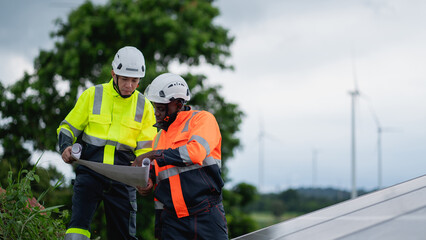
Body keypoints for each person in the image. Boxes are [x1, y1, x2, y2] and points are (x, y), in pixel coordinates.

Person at [57, 46, 157, 240]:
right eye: (125, 79)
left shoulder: (145, 106)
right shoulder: (92, 95)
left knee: (124, 236)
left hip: (123, 178)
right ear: (114, 74)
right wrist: (65, 147)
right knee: (77, 231)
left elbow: (147, 150)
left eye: (134, 80)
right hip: (90, 173)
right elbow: (67, 127)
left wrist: (146, 176)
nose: (129, 85)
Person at [133, 73, 229, 239]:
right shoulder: (158, 138)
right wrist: (147, 181)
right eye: (155, 107)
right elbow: (159, 173)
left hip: (206, 215)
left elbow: (196, 152)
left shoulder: (202, 120)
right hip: (171, 221)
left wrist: (154, 154)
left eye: (161, 108)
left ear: (178, 104)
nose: (156, 113)